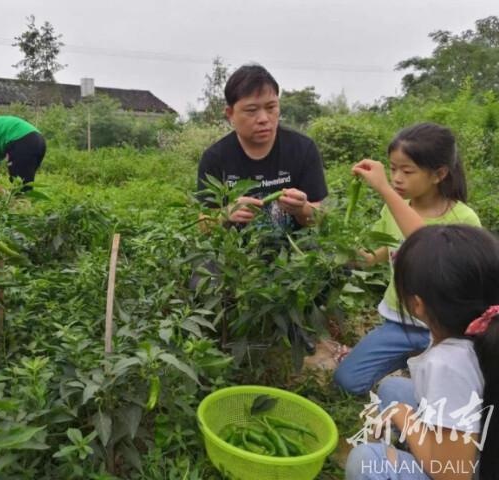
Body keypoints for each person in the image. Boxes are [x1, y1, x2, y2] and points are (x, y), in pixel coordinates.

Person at [334, 123, 481, 395]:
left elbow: (428, 247)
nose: (397, 178)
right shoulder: (393, 209)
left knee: (436, 392)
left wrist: (385, 190)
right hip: (399, 321)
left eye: (407, 171)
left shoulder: (463, 218)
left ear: (439, 174)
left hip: (445, 330)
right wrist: (357, 257)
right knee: (347, 381)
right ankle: (409, 364)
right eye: (392, 169)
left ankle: (414, 374)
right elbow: (386, 251)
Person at [345, 224, 499, 480]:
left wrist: (404, 417)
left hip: (467, 469)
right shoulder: (482, 330)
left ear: (417, 304)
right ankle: (416, 447)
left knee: (367, 460)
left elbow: (454, 474)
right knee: (392, 390)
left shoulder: (449, 363)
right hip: (480, 437)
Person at [197, 64, 328, 232]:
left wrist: (303, 209)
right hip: (236, 254)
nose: (264, 119)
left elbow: (320, 218)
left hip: (295, 253)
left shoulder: (302, 149)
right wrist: (226, 213)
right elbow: (203, 226)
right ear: (230, 114)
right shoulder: (215, 157)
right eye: (251, 110)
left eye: (271, 107)